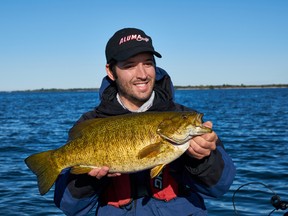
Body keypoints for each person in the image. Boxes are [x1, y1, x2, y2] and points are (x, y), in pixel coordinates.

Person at [54, 28, 236, 216]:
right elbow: (68, 206)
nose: (142, 74)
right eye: (130, 65)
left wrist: (204, 158)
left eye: (148, 63)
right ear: (111, 71)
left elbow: (221, 187)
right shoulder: (91, 123)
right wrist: (90, 180)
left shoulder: (183, 116)